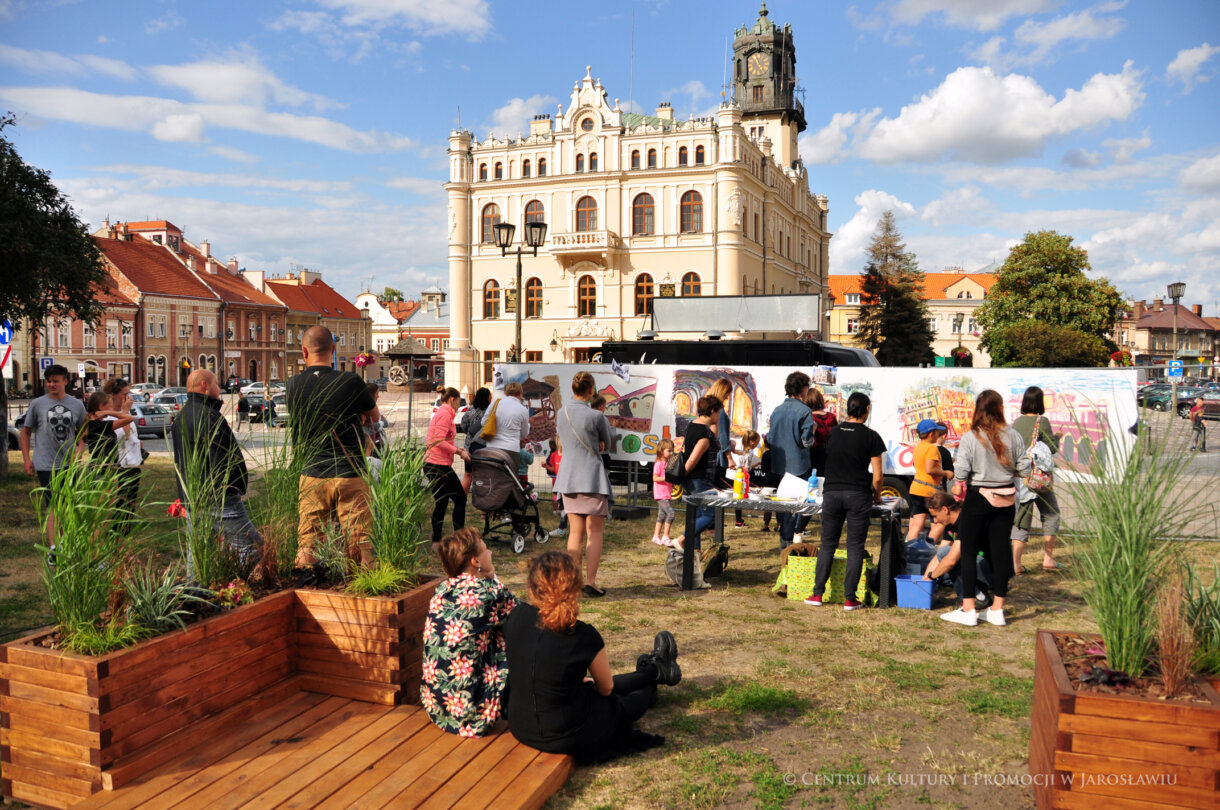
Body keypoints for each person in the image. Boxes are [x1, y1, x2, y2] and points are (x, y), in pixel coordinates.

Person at [504, 551, 680, 764]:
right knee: (617, 706)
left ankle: (654, 669)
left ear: (532, 588)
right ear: (575, 589)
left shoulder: (515, 617)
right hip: (567, 734)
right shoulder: (582, 635)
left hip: (521, 725)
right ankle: (653, 676)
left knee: (591, 687)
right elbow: (606, 688)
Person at [287, 325, 380, 572]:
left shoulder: (293, 385)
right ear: (334, 350)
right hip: (350, 471)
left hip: (312, 472)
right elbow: (374, 417)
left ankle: (305, 590)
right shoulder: (351, 381)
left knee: (308, 540)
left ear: (304, 351)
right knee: (361, 541)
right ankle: (365, 591)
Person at [944, 389, 1031, 627]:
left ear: (978, 410)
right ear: (1000, 408)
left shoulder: (972, 437)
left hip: (978, 498)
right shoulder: (1013, 435)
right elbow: (1025, 469)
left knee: (969, 553)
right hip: (1006, 499)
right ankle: (997, 610)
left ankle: (969, 609)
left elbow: (961, 473)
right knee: (1001, 553)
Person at [420, 528, 517, 737]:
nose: (490, 553)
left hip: (436, 705)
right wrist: (492, 578)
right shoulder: (489, 593)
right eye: (485, 549)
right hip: (472, 715)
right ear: (475, 561)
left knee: (491, 629)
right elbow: (523, 617)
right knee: (512, 632)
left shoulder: (442, 589)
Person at [170, 369, 264, 574]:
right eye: (215, 385)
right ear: (204, 385)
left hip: (194, 497)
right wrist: (234, 487)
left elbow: (181, 462)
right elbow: (223, 457)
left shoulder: (182, 417)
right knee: (251, 546)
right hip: (219, 498)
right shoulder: (208, 416)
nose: (219, 389)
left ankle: (198, 595)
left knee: (199, 555)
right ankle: (237, 589)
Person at [806, 392, 885, 611]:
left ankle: (817, 594)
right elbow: (878, 477)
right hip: (858, 494)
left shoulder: (833, 433)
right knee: (855, 547)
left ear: (847, 410)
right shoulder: (872, 436)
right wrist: (877, 496)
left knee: (827, 545)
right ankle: (850, 598)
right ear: (867, 410)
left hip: (831, 493)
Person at [556, 371, 613, 596]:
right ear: (591, 391)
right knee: (595, 532)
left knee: (574, 533)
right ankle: (590, 581)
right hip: (592, 478)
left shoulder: (561, 413)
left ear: (572, 389)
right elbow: (606, 444)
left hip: (568, 478)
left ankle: (573, 582)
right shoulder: (597, 417)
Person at [21, 364, 88, 547]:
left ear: (65, 381)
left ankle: (65, 541)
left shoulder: (76, 405)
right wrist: (27, 460)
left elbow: (85, 433)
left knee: (66, 505)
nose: (51, 384)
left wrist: (78, 451)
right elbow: (26, 432)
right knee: (53, 504)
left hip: (69, 464)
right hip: (45, 463)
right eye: (48, 381)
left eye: (55, 381)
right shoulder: (38, 404)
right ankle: (53, 546)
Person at [1010, 386, 1062, 573]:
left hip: (1021, 476)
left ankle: (1015, 563)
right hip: (1038, 478)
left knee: (1022, 517)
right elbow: (1052, 448)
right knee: (1051, 513)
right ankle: (1048, 558)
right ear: (1040, 402)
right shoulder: (1043, 421)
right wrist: (1057, 437)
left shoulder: (1016, 422)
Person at [766, 372, 814, 549]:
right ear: (803, 388)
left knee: (784, 505)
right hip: (798, 465)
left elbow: (770, 439)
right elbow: (806, 441)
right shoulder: (805, 411)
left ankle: (784, 542)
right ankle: (789, 543)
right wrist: (813, 432)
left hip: (780, 464)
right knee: (797, 507)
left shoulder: (777, 410)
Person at [921, 491, 992, 609]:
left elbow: (950, 559)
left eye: (935, 516)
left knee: (947, 560)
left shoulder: (966, 522)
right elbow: (939, 555)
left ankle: (978, 597)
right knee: (942, 571)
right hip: (976, 564)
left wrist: (932, 577)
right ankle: (977, 591)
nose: (935, 521)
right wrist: (925, 580)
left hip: (988, 567)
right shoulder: (950, 524)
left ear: (945, 510)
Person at [670, 395, 723, 552]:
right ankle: (682, 539)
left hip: (691, 479)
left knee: (697, 515)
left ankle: (695, 553)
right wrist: (681, 476)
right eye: (719, 412)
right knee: (710, 515)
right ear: (712, 411)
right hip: (699, 479)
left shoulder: (692, 425)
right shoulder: (704, 434)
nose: (719, 416)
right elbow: (693, 460)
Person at [425, 387, 472, 547]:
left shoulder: (444, 413)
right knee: (460, 499)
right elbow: (437, 440)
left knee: (442, 501)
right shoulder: (445, 414)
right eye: (459, 401)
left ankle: (437, 540)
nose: (459, 404)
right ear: (452, 399)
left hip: (435, 463)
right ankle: (459, 539)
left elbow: (443, 439)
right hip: (438, 465)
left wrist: (459, 449)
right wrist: (458, 451)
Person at [793, 388, 836, 540]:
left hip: (812, 458)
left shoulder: (808, 418)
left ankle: (798, 529)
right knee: (825, 494)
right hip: (829, 458)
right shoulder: (831, 417)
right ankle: (827, 529)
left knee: (810, 494)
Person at [906, 419, 950, 545]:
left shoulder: (918, 447)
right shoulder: (932, 449)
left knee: (917, 524)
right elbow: (930, 469)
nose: (938, 435)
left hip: (916, 488)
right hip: (929, 491)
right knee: (939, 522)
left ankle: (910, 550)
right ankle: (929, 547)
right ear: (931, 434)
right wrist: (945, 473)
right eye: (937, 433)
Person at [103, 378, 144, 511]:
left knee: (129, 508)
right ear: (112, 395)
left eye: (128, 394)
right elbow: (124, 437)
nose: (127, 398)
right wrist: (125, 413)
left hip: (132, 465)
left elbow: (132, 436)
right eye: (124, 394)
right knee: (118, 508)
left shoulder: (126, 413)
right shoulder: (107, 417)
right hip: (118, 467)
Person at [482, 382, 530, 471]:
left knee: (492, 478)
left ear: (506, 393)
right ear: (520, 393)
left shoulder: (495, 404)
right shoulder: (523, 410)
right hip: (511, 450)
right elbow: (524, 434)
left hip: (492, 448)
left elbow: (483, 423)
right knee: (510, 480)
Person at [82, 392, 134, 466]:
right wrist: (108, 412)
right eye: (110, 406)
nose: (112, 409)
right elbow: (129, 418)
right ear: (101, 406)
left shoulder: (96, 424)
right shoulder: (99, 426)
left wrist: (125, 411)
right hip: (103, 468)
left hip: (106, 465)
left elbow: (126, 435)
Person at [460, 387, 493, 493]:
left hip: (468, 445)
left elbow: (463, 425)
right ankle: (482, 501)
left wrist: (469, 434)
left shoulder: (470, 410)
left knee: (468, 474)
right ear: (487, 398)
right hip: (482, 445)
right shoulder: (489, 412)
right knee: (482, 476)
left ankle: (461, 500)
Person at [708, 378, 735, 487]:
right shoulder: (721, 412)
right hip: (718, 459)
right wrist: (730, 458)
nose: (728, 397)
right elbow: (722, 436)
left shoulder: (708, 409)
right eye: (727, 393)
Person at [731, 430, 762, 528]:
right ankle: (739, 521)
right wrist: (757, 463)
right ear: (752, 443)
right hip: (743, 478)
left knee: (737, 497)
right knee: (741, 497)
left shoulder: (740, 450)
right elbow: (747, 468)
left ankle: (738, 521)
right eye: (757, 442)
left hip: (736, 476)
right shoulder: (749, 454)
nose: (757, 444)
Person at [651, 438, 677, 546]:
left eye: (672, 450)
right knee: (671, 513)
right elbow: (655, 478)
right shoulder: (659, 464)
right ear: (662, 450)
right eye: (669, 451)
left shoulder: (667, 464)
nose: (671, 453)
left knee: (661, 515)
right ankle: (666, 536)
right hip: (661, 495)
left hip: (666, 494)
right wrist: (667, 477)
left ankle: (656, 536)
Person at [543, 438, 567, 537]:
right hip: (558, 484)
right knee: (562, 507)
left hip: (567, 485)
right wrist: (547, 466)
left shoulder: (568, 454)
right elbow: (554, 469)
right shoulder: (554, 455)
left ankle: (564, 528)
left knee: (568, 508)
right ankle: (563, 529)